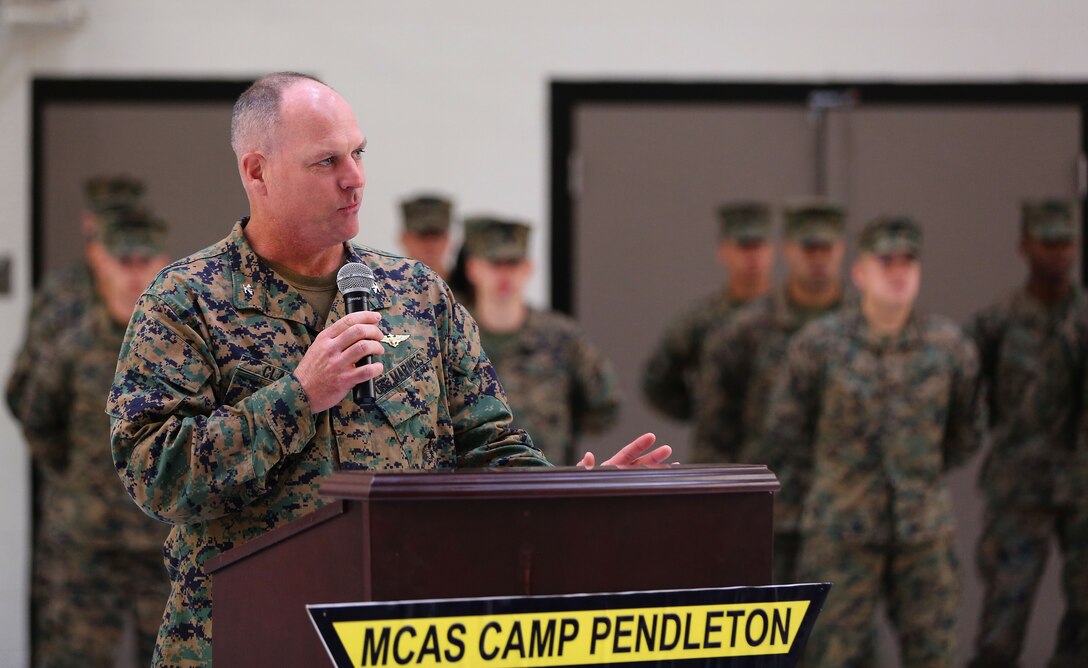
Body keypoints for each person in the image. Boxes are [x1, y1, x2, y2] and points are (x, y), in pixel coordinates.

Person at [107, 72, 670, 666]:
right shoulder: (184, 302)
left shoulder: (417, 294)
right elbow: (155, 474)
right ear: (257, 172)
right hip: (246, 636)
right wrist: (298, 396)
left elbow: (488, 446)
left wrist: (568, 495)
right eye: (325, 161)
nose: (355, 179)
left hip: (398, 637)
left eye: (358, 153)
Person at [764, 216, 982, 667]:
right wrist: (836, 486)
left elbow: (965, 434)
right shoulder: (819, 345)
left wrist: (918, 475)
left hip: (922, 531)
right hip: (840, 534)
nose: (899, 272)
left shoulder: (948, 347)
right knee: (831, 655)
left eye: (909, 261)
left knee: (935, 653)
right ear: (860, 272)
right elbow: (787, 433)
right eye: (886, 261)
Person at [18, 205, 172, 667]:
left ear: (163, 262)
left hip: (163, 541)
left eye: (144, 261)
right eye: (122, 261)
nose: (133, 274)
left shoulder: (183, 345)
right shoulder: (71, 346)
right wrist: (81, 481)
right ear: (98, 260)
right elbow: (38, 419)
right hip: (86, 542)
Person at [693, 199, 847, 584]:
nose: (818, 260)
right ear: (788, 249)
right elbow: (714, 427)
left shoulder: (862, 327)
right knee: (764, 627)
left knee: (840, 639)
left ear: (842, 251)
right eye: (808, 248)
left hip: (847, 512)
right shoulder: (746, 329)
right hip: (768, 508)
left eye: (826, 249)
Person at [965, 199, 1088, 668]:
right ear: (1024, 245)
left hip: (1081, 489)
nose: (1058, 253)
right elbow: (962, 393)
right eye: (1047, 242)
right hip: (1018, 485)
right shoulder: (997, 321)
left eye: (1066, 242)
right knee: (1001, 625)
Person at [462, 216, 620, 464]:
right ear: (473, 268)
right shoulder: (454, 335)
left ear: (528, 268)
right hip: (474, 486)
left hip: (546, 479)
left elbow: (604, 404)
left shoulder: (561, 337)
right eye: (495, 263)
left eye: (513, 263)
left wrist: (561, 432)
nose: (505, 274)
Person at [640, 201, 773, 421]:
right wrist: (702, 411)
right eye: (743, 246)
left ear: (771, 250)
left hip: (777, 448)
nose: (752, 256)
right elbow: (658, 379)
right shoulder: (702, 318)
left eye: (758, 246)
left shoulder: (784, 315)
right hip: (715, 449)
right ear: (723, 251)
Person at [399, 193, 453, 279]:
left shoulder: (472, 289)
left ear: (447, 239)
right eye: (422, 237)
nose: (430, 245)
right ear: (404, 239)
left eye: (436, 236)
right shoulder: (386, 288)